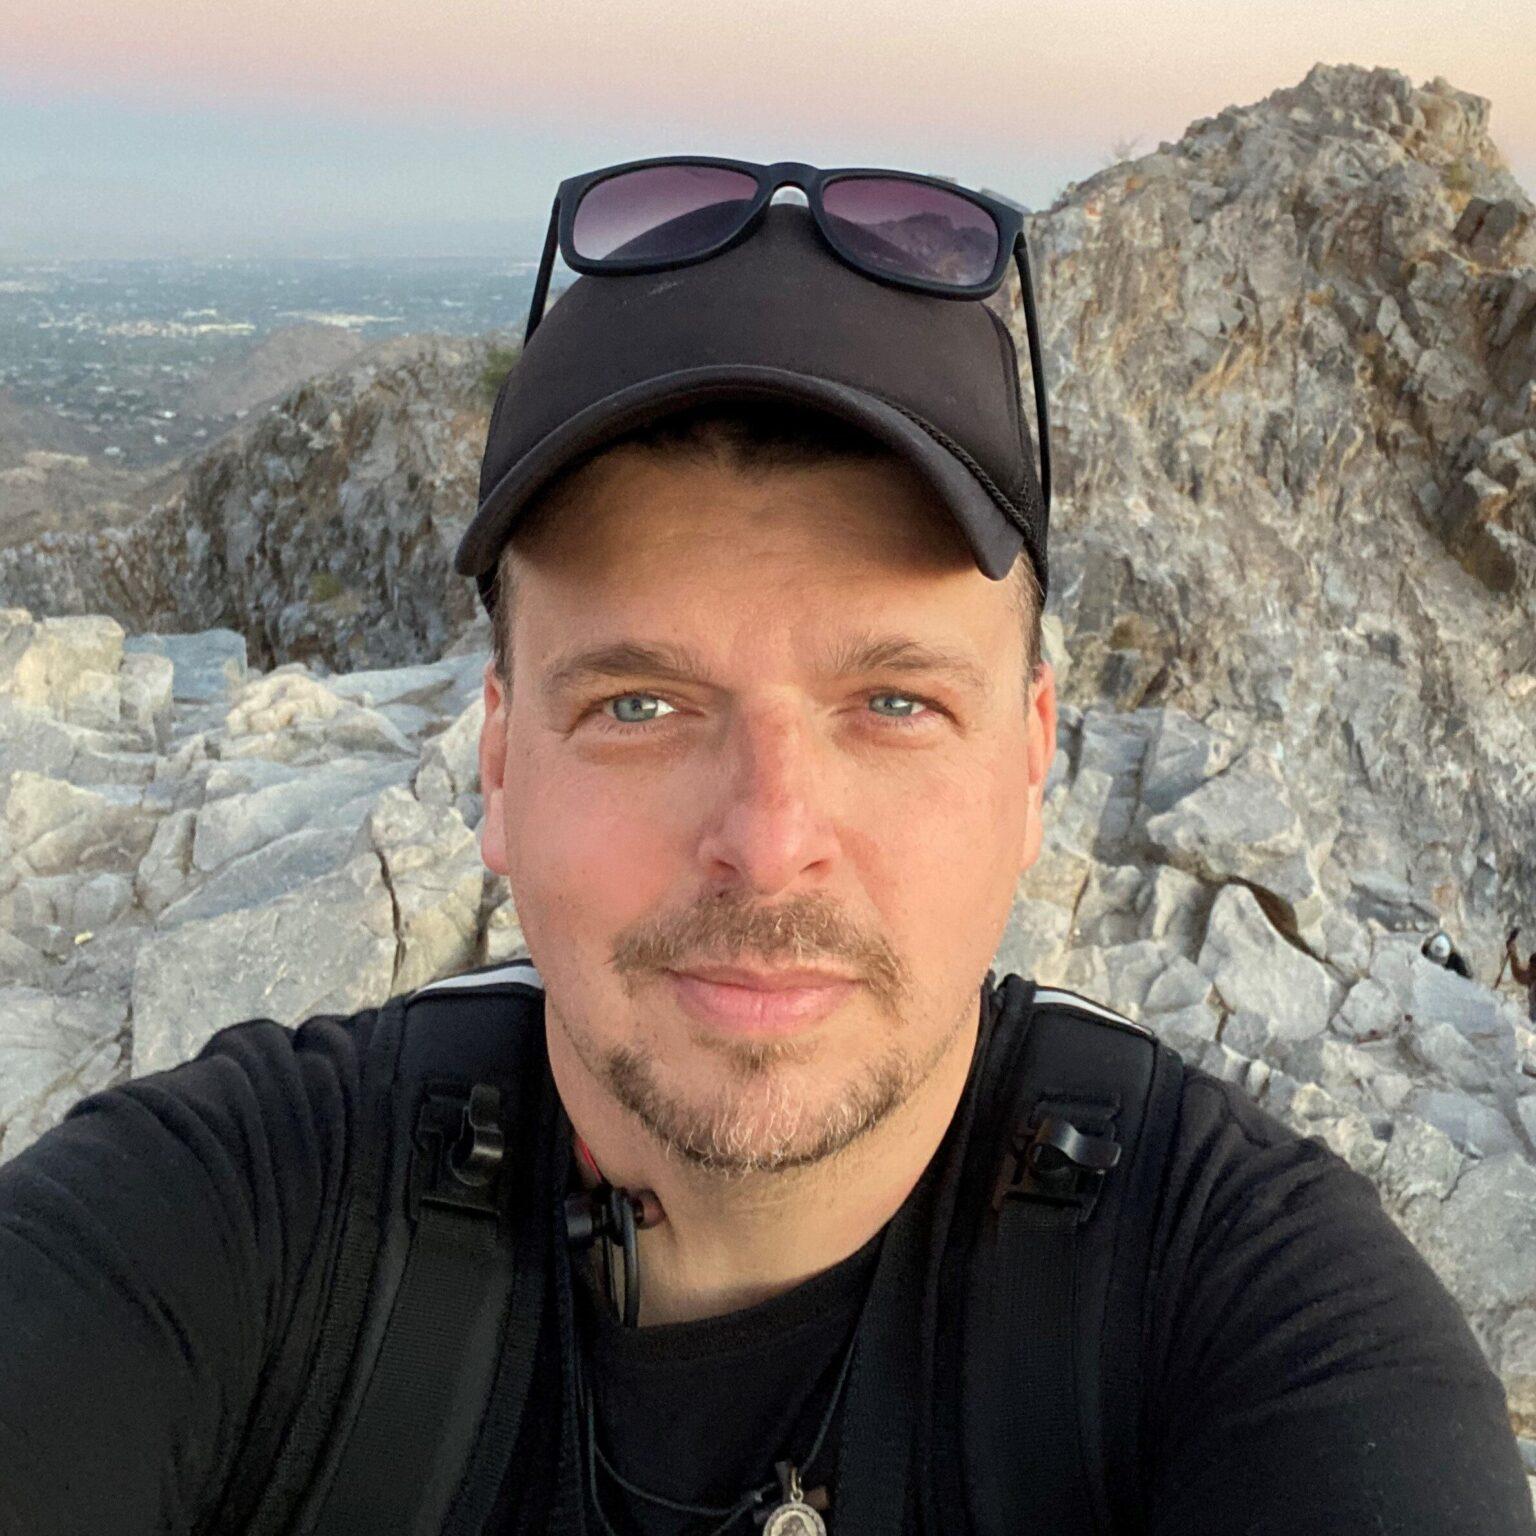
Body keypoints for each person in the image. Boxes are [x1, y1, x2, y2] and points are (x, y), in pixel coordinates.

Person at [2, 160, 1533, 1536]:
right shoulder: (232, 1222)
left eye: (893, 702)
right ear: (499, 763)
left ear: (1030, 764)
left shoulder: (1252, 1314)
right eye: (640, 703)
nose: (770, 839)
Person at [1508, 928, 1536, 1022]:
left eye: (1533, 968)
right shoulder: (1531, 977)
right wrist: (1512, 952)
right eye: (1530, 967)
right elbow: (1518, 974)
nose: (1530, 970)